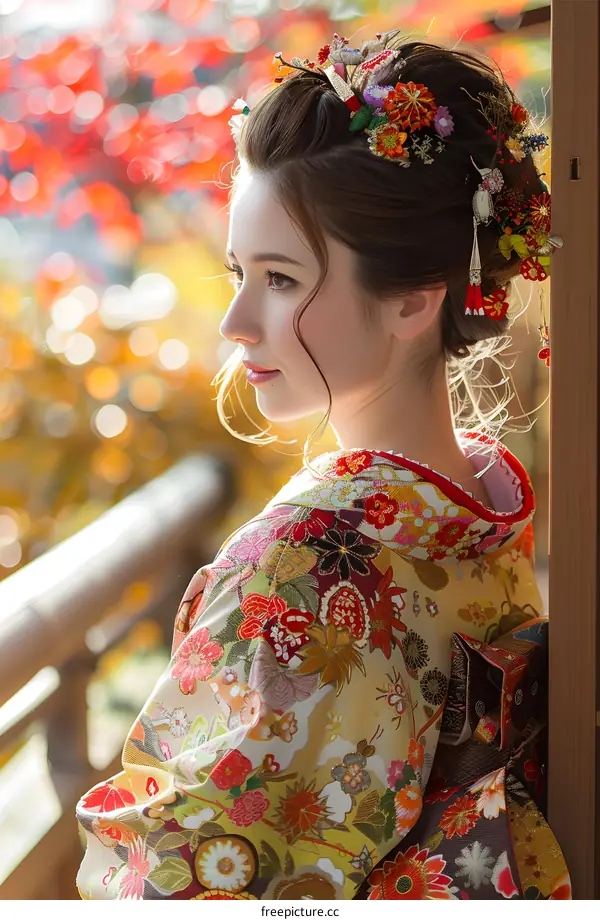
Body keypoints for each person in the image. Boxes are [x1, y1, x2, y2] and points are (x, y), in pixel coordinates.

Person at [75, 29, 570, 900]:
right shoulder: (481, 508)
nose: (234, 321)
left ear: (414, 299)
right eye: (239, 271)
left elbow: (182, 885)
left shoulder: (306, 563)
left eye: (279, 279)